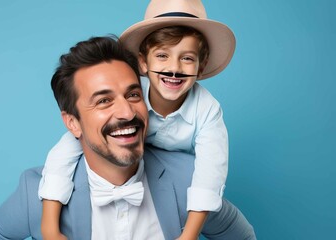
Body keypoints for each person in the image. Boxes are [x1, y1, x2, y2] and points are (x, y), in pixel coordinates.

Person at [0, 36, 255, 239]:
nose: (126, 112)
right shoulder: (35, 194)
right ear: (72, 123)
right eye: (103, 101)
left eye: (132, 94)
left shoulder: (186, 180)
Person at [39, 1, 251, 239]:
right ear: (142, 63)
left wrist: (188, 235)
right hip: (129, 168)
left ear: (201, 68)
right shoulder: (128, 99)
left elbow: (210, 173)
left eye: (187, 58)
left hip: (168, 180)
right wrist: (49, 228)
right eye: (162, 55)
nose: (174, 68)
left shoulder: (208, 111)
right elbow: (67, 147)